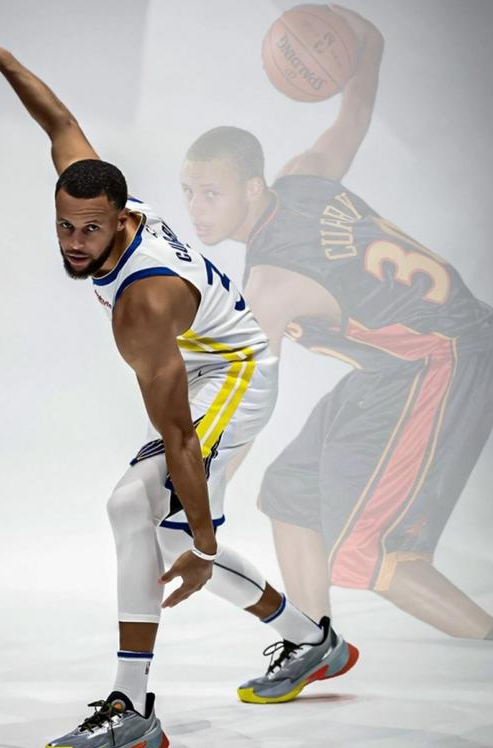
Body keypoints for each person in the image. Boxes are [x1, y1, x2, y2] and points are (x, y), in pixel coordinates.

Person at [0, 43, 359, 748]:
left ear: (121, 217)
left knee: (137, 508)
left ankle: (132, 711)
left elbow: (182, 437)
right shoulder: (95, 196)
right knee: (156, 534)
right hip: (201, 362)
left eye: (90, 230)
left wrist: (207, 545)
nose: (74, 244)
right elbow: (60, 122)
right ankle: (311, 642)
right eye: (64, 226)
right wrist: (2, 63)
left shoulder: (142, 304)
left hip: (235, 374)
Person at [180, 6, 493, 640]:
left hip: (446, 356)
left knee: (366, 555)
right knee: (292, 488)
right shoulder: (304, 177)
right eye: (188, 191)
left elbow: (248, 410)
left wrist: (199, 504)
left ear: (252, 189)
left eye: (211, 193)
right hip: (399, 364)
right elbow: (356, 111)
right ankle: (313, 643)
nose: (196, 208)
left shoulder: (269, 286)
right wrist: (360, 38)